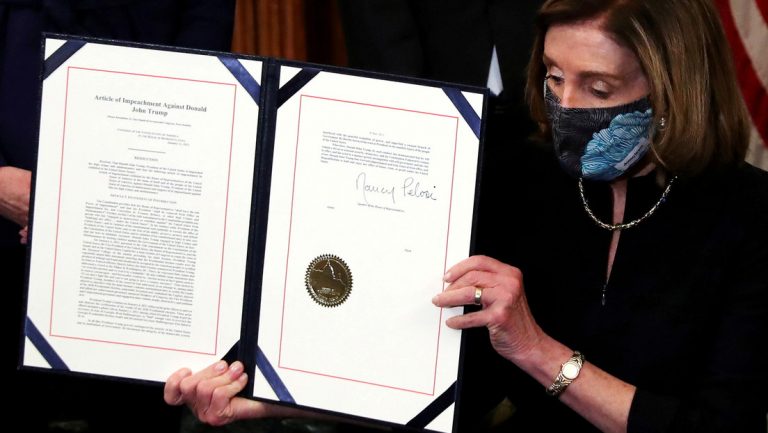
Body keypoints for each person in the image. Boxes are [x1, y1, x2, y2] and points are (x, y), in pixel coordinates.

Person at [164, 0, 768, 432]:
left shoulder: (750, 214)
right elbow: (444, 382)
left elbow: (723, 424)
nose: (565, 106)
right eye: (555, 77)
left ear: (672, 87)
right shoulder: (526, 182)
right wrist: (268, 399)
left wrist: (535, 349)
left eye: (599, 90)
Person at [1, 2, 236, 431]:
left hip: (136, 234)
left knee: (133, 412)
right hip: (7, 216)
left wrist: (91, 203)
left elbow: (200, 74)